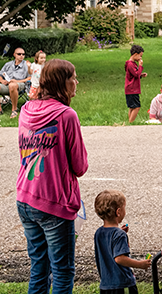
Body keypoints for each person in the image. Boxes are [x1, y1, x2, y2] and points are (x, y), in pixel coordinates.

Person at [16, 59, 88, 294]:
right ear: (62, 83)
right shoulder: (67, 116)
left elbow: (24, 153)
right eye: (73, 77)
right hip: (54, 202)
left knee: (39, 267)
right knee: (62, 270)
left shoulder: (26, 110)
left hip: (25, 196)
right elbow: (79, 166)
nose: (76, 82)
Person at [93, 190, 151, 294]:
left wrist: (118, 232)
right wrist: (140, 264)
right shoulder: (119, 235)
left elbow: (108, 245)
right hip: (122, 284)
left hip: (106, 285)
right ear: (118, 212)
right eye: (124, 207)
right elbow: (119, 259)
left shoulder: (99, 233)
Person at [1, 46, 31, 118]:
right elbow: (0, 74)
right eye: (19, 54)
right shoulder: (8, 64)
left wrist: (16, 81)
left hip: (21, 84)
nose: (21, 56)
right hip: (7, 84)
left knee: (13, 85)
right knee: (10, 85)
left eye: (23, 54)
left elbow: (30, 78)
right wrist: (2, 81)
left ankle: (14, 110)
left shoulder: (27, 65)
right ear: (14, 54)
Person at [124, 45, 147, 123]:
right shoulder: (130, 64)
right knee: (137, 107)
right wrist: (140, 66)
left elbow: (134, 75)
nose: (140, 58)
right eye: (140, 56)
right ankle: (131, 122)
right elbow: (136, 74)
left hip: (131, 88)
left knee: (132, 107)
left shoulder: (132, 64)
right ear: (135, 54)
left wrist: (141, 75)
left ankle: (130, 121)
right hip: (132, 89)